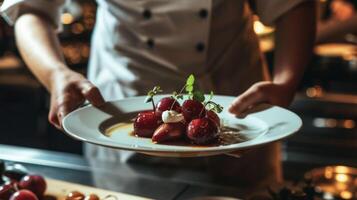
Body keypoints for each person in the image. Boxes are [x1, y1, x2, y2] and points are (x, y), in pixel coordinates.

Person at [1, 0, 316, 188]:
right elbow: (31, 9)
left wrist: (286, 80)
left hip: (235, 100)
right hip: (121, 99)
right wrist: (56, 73)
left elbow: (292, 5)